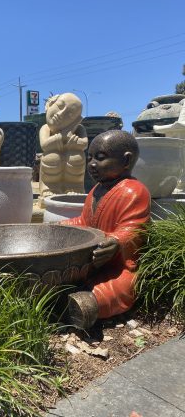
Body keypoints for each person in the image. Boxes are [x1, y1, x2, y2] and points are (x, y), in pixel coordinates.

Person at [59, 130, 151, 329]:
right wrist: (61, 227)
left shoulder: (134, 191)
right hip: (92, 261)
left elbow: (135, 227)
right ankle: (69, 299)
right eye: (89, 158)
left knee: (125, 286)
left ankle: (88, 305)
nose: (92, 164)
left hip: (119, 265)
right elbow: (85, 222)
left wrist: (117, 241)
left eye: (100, 158)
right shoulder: (95, 191)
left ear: (126, 161)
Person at [39, 93, 88, 203]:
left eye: (70, 115)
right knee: (52, 157)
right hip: (50, 176)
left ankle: (75, 187)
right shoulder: (45, 128)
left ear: (77, 120)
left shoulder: (79, 128)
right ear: (50, 104)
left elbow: (84, 144)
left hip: (73, 180)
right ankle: (49, 187)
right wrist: (62, 136)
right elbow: (44, 145)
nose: (60, 114)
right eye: (60, 106)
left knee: (76, 156)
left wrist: (73, 136)